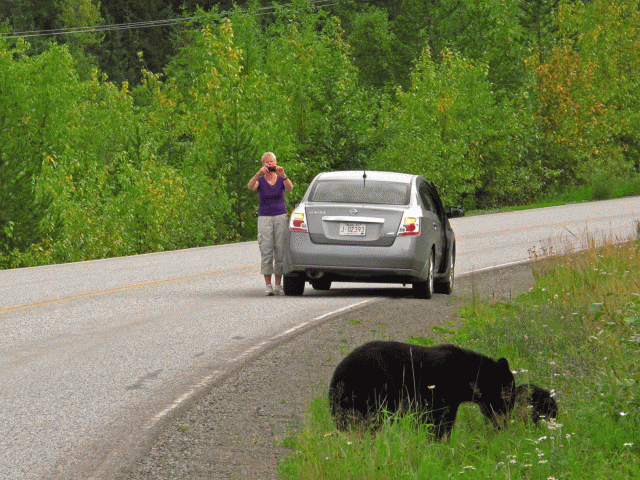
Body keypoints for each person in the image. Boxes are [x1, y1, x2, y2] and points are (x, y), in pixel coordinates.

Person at [247, 152, 293, 295]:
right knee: (266, 250)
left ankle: (278, 284)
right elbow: (250, 186)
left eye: (271, 161)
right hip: (265, 218)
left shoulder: (280, 178)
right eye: (266, 162)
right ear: (262, 164)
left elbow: (290, 188)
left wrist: (283, 174)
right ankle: (268, 285)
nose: (269, 164)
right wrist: (258, 173)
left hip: (280, 216)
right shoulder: (260, 180)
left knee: (280, 250)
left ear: (276, 162)